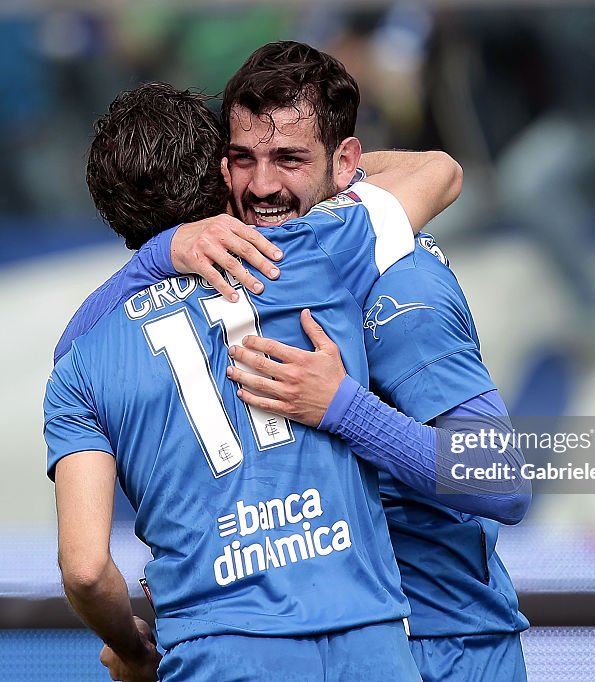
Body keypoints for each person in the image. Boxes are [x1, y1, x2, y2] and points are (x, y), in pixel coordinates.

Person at [45, 81, 466, 681]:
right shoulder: (310, 249)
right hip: (368, 641)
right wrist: (324, 167)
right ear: (224, 172)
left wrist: (134, 652)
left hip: (219, 650)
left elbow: (85, 568)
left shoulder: (80, 359)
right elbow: (439, 170)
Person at [219, 41, 531, 681]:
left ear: (345, 166)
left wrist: (342, 407)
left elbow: (501, 478)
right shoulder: (265, 270)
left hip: (444, 650)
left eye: (290, 159)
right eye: (244, 159)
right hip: (343, 647)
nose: (262, 186)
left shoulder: (401, 290)